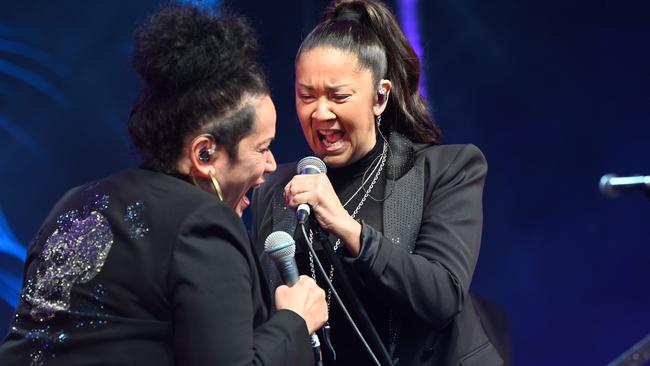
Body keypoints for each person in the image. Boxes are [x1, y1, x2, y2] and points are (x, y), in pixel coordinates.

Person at [0, 4, 327, 366]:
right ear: (205, 154)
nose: (270, 165)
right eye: (262, 148)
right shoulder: (203, 225)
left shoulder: (74, 202)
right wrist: (294, 321)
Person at [251, 0, 504, 365]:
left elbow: (442, 297)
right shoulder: (276, 189)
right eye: (306, 96)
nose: (320, 112)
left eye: (339, 96)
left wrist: (345, 226)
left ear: (380, 97)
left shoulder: (446, 169)